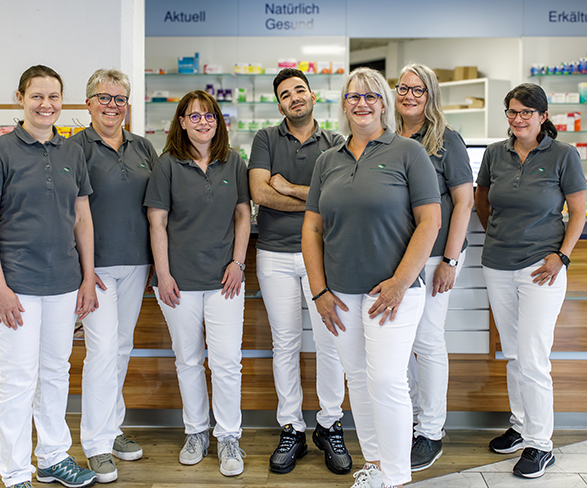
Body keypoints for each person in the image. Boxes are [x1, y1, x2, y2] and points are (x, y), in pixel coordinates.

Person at [303, 67, 441, 488]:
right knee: (360, 382)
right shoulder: (327, 160)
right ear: (344, 105)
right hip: (340, 294)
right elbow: (311, 228)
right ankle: (375, 467)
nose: (361, 103)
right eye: (353, 96)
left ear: (383, 103)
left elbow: (430, 221)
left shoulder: (408, 152)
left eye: (370, 96)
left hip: (393, 293)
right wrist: (319, 291)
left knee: (386, 380)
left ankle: (396, 477)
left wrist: (400, 282)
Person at [0, 65, 98, 488]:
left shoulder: (72, 152)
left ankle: (52, 458)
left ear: (63, 101)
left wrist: (87, 277)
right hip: (15, 286)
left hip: (62, 284)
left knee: (56, 372)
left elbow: (82, 219)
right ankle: (14, 472)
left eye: (54, 96)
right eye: (37, 96)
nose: (46, 104)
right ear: (20, 98)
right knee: (18, 379)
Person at [475, 83, 586, 479]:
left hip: (542, 268)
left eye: (526, 112)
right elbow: (482, 199)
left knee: (534, 356)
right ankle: (521, 426)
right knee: (514, 353)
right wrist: (498, 234)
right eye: (512, 112)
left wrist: (562, 256)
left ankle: (541, 444)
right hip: (497, 265)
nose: (518, 119)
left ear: (543, 116)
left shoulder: (563, 155)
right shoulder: (494, 153)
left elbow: (578, 212)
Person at [248, 68, 351, 475]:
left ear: (312, 96)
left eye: (299, 90)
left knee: (330, 343)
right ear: (280, 106)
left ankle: (330, 423)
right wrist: (314, 198)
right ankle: (291, 427)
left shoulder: (336, 142)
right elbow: (259, 191)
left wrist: (289, 188)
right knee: (285, 344)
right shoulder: (265, 138)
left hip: (323, 255)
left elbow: (338, 195)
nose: (294, 97)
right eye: (286, 94)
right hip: (274, 255)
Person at [144, 90, 251, 477]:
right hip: (179, 281)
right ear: (182, 122)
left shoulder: (233, 161)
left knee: (227, 362)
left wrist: (238, 262)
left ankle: (229, 437)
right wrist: (164, 273)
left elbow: (243, 215)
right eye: (194, 116)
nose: (203, 122)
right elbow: (157, 221)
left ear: (218, 122)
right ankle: (196, 433)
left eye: (209, 116)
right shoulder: (167, 165)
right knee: (188, 360)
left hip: (225, 281)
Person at [69, 68, 157, 483]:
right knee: (102, 351)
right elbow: (68, 213)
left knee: (121, 348)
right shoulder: (74, 149)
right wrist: (83, 270)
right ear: (88, 103)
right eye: (104, 98)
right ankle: (96, 444)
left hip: (136, 263)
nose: (112, 106)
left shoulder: (143, 147)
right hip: (96, 268)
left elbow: (156, 206)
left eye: (120, 99)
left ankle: (112, 427)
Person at [394, 63, 475, 472]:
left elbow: (464, 201)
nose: (409, 96)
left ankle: (431, 431)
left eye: (418, 89)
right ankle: (409, 421)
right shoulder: (387, 138)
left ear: (431, 95)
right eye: (403, 88)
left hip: (435, 256)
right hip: (397, 257)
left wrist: (450, 259)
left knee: (426, 341)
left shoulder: (447, 140)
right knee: (401, 344)